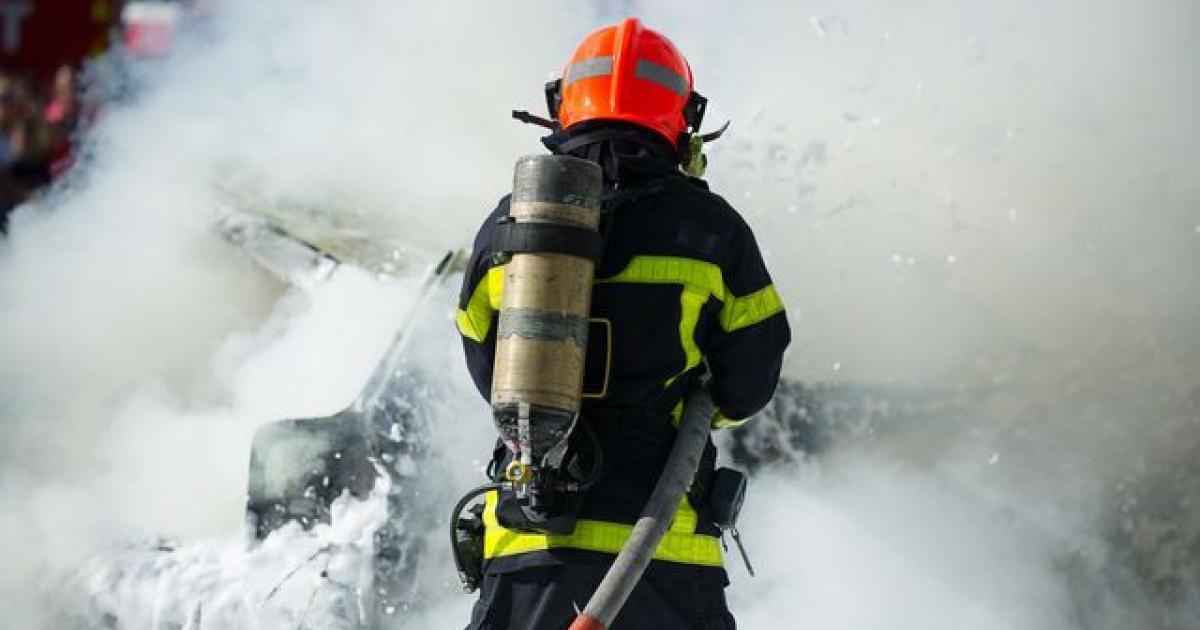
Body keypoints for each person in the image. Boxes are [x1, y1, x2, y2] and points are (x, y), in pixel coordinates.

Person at [455, 17, 790, 629]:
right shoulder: (712, 230)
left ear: (561, 108)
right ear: (683, 120)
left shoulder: (510, 225)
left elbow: (484, 360)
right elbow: (750, 382)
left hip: (532, 553)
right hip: (664, 559)